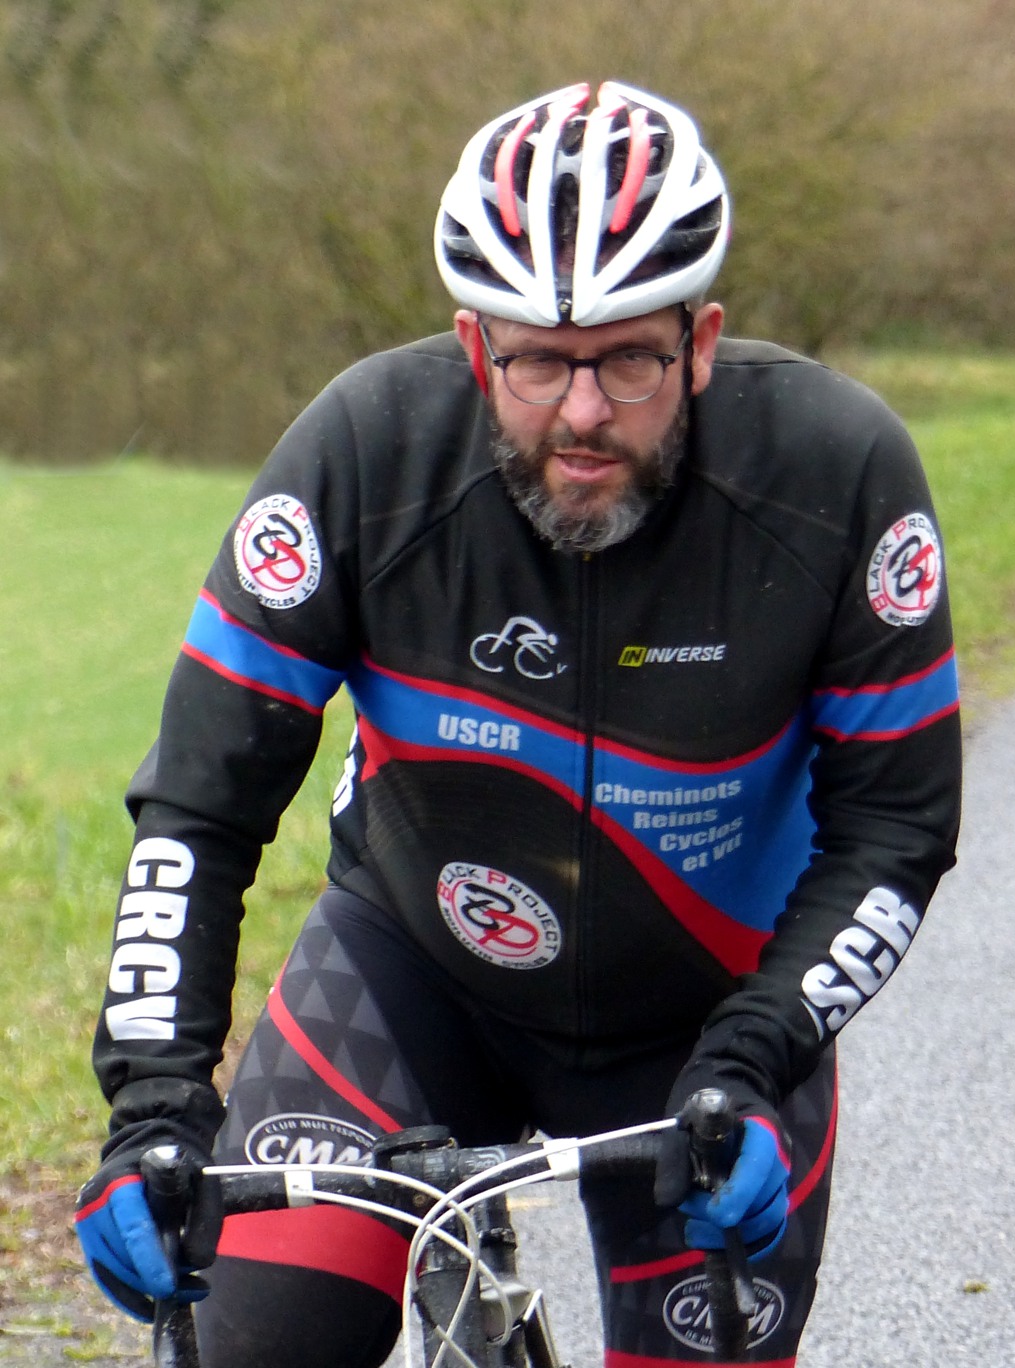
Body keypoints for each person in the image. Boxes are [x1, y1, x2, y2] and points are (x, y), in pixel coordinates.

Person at [75, 80, 961, 1367]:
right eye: (537, 360)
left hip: (710, 1022)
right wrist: (153, 1108)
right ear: (472, 344)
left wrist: (758, 1055)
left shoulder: (835, 475)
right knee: (247, 1348)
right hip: (412, 982)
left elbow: (894, 826)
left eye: (630, 358)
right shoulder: (364, 455)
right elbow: (203, 803)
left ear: (701, 342)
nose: (582, 411)